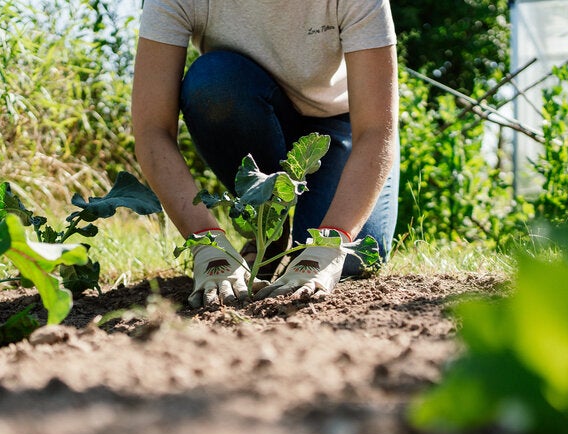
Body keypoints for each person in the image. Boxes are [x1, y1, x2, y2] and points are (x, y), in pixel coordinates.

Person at [131, 0, 400, 308]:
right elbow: (152, 131)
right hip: (246, 106)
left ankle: (287, 235)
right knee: (213, 83)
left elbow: (376, 130)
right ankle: (269, 229)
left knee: (353, 263)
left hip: (343, 127)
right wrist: (206, 242)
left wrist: (330, 242)